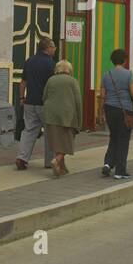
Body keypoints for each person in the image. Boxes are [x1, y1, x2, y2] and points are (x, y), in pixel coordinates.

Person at [97, 48, 133, 180]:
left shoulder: (106, 75)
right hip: (124, 111)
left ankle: (108, 164)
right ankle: (120, 170)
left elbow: (102, 96)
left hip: (109, 109)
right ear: (124, 60)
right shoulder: (128, 74)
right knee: (123, 140)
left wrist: (100, 113)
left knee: (113, 137)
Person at [15, 37, 56, 170]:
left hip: (29, 102)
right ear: (47, 48)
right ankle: (49, 161)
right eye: (53, 47)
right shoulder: (50, 64)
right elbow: (53, 85)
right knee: (50, 131)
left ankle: (22, 158)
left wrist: (21, 98)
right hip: (45, 104)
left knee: (29, 130)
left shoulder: (29, 61)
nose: (55, 49)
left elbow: (23, 82)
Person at [42, 59, 83, 176]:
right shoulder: (72, 81)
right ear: (69, 69)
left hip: (51, 114)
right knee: (66, 141)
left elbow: (44, 96)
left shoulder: (51, 80)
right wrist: (79, 121)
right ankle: (57, 160)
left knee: (56, 141)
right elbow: (78, 102)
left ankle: (62, 168)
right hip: (67, 115)